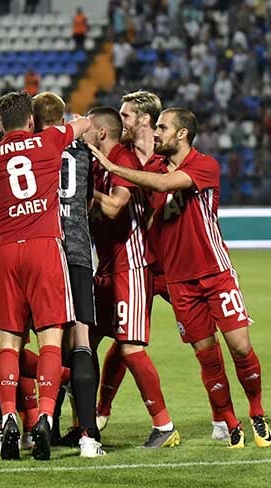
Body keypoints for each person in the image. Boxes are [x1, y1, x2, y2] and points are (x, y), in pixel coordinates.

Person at [89, 107, 271, 449]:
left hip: (215, 273)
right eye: (155, 126)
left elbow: (161, 184)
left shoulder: (204, 166)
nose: (157, 132)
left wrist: (113, 166)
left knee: (240, 347)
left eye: (163, 127)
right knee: (206, 354)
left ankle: (257, 411)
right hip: (179, 282)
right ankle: (230, 421)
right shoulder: (152, 167)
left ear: (182, 134)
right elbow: (135, 191)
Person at [0, 91, 91, 461]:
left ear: (1, 124)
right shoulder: (49, 140)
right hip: (44, 248)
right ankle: (46, 417)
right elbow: (84, 124)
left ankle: (7, 417)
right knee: (51, 340)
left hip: (5, 252)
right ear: (30, 121)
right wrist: (73, 122)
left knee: (8, 343)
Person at [86, 106, 180, 449]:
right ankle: (86, 420)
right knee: (84, 342)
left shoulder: (122, 158)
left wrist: (85, 191)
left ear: (100, 134)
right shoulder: (97, 165)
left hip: (131, 267)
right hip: (106, 268)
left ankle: (164, 424)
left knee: (131, 347)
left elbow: (113, 207)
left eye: (86, 130)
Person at [30, 93, 105, 458]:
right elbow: (89, 202)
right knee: (81, 343)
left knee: (32, 343)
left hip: (43, 253)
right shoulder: (83, 155)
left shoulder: (31, 152)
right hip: (77, 252)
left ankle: (26, 425)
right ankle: (89, 436)